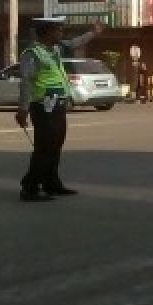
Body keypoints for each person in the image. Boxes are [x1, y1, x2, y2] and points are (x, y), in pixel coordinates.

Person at [15, 16, 103, 201]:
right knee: (44, 148)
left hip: (58, 105)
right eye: (58, 30)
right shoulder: (32, 53)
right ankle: (30, 187)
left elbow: (74, 43)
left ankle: (51, 184)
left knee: (55, 146)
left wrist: (93, 33)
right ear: (47, 32)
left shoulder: (55, 49)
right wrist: (23, 109)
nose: (61, 33)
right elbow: (26, 82)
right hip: (43, 106)